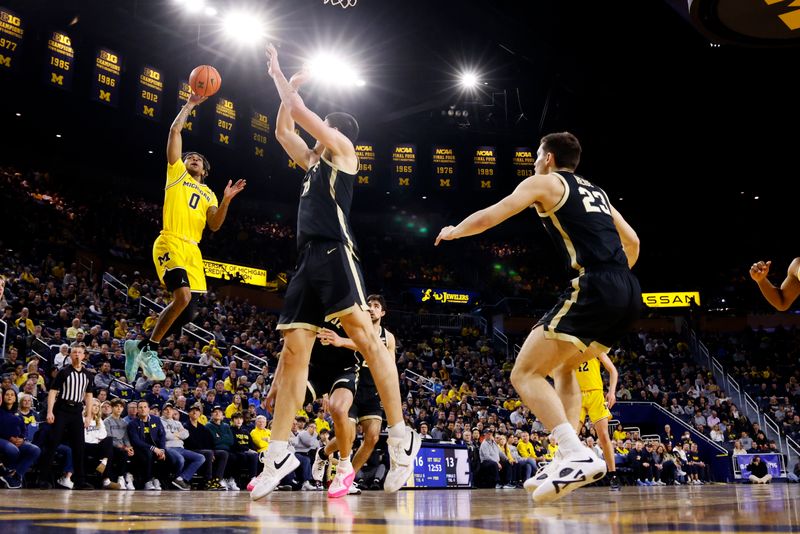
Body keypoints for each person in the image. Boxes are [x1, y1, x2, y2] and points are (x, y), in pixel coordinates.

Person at [435, 132, 641, 503]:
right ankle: (566, 457)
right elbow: (634, 242)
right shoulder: (598, 193)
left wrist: (454, 231)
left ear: (547, 157)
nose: (532, 161)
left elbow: (492, 215)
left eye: (535, 155)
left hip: (594, 284)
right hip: (628, 289)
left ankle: (576, 452)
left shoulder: (545, 182)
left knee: (523, 372)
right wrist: (617, 277)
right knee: (562, 368)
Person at [253, 44, 418, 500]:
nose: (315, 134)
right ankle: (279, 451)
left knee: (366, 337)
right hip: (306, 259)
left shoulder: (343, 150)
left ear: (333, 131)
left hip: (334, 251)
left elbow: (300, 112)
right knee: (292, 353)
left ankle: (402, 434)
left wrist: (282, 76)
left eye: (322, 128)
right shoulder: (310, 164)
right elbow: (283, 128)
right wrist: (281, 86)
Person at [123, 93, 246, 382]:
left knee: (189, 312)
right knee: (182, 296)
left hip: (193, 250)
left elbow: (214, 225)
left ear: (205, 170)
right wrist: (189, 105)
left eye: (198, 160)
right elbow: (175, 131)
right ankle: (150, 349)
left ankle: (138, 346)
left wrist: (227, 200)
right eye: (190, 156)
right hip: (170, 240)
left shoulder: (209, 194)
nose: (192, 159)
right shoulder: (176, 174)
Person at [312, 294, 396, 497]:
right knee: (348, 438)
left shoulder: (388, 337)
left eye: (377, 306)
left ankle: (347, 479)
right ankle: (323, 453)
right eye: (370, 305)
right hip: (352, 385)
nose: (372, 308)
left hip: (372, 391)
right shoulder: (353, 328)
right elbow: (333, 357)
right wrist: (325, 391)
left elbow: (390, 368)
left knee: (373, 437)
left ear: (383, 312)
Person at [37, 343, 94, 490]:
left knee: (79, 446)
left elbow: (88, 396)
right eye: (74, 352)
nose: (76, 354)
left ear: (83, 355)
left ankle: (80, 481)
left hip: (76, 411)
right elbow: (52, 392)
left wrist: (88, 415)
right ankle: (42, 479)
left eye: (79, 352)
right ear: (70, 355)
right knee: (53, 443)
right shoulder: (63, 372)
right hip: (61, 409)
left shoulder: (88, 374)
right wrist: (50, 411)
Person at [574, 352, 621, 490]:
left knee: (604, 435)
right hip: (576, 395)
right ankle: (571, 474)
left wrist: (612, 392)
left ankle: (613, 474)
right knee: (572, 437)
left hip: (596, 394)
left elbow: (613, 370)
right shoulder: (568, 348)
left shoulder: (594, 348)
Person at [0, 388, 41, 488]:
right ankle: (8, 473)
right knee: (13, 450)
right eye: (7, 395)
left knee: (35, 450)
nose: (9, 396)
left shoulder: (18, 413)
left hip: (17, 441)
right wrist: (10, 438)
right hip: (3, 439)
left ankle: (15, 475)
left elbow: (24, 430)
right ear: (3, 397)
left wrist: (22, 439)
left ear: (15, 399)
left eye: (12, 395)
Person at [161, 402, 204, 491]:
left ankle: (180, 479)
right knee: (180, 459)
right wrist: (178, 435)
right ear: (163, 411)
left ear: (173, 411)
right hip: (168, 447)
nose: (168, 411)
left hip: (180, 448)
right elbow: (166, 436)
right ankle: (173, 480)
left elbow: (186, 434)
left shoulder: (178, 423)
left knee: (201, 458)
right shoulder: (159, 421)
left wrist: (174, 434)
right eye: (166, 409)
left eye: (170, 409)